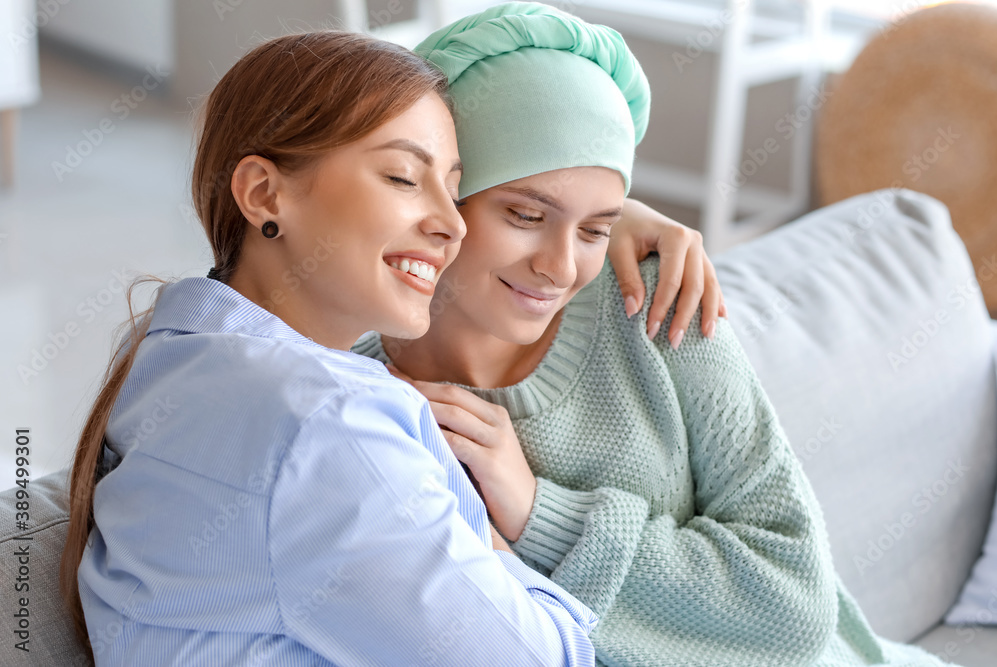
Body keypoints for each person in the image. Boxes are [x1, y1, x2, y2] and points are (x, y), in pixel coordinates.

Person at [355, 3, 958, 666]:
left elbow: (795, 608)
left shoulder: (657, 299)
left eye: (594, 228)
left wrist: (541, 515)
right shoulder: (354, 389)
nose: (559, 268)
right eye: (525, 215)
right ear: (442, 195)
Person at [62, 31, 613, 666]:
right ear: (265, 194)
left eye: (454, 189)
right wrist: (490, 540)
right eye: (404, 177)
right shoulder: (324, 424)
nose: (452, 223)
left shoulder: (175, 353)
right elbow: (547, 658)